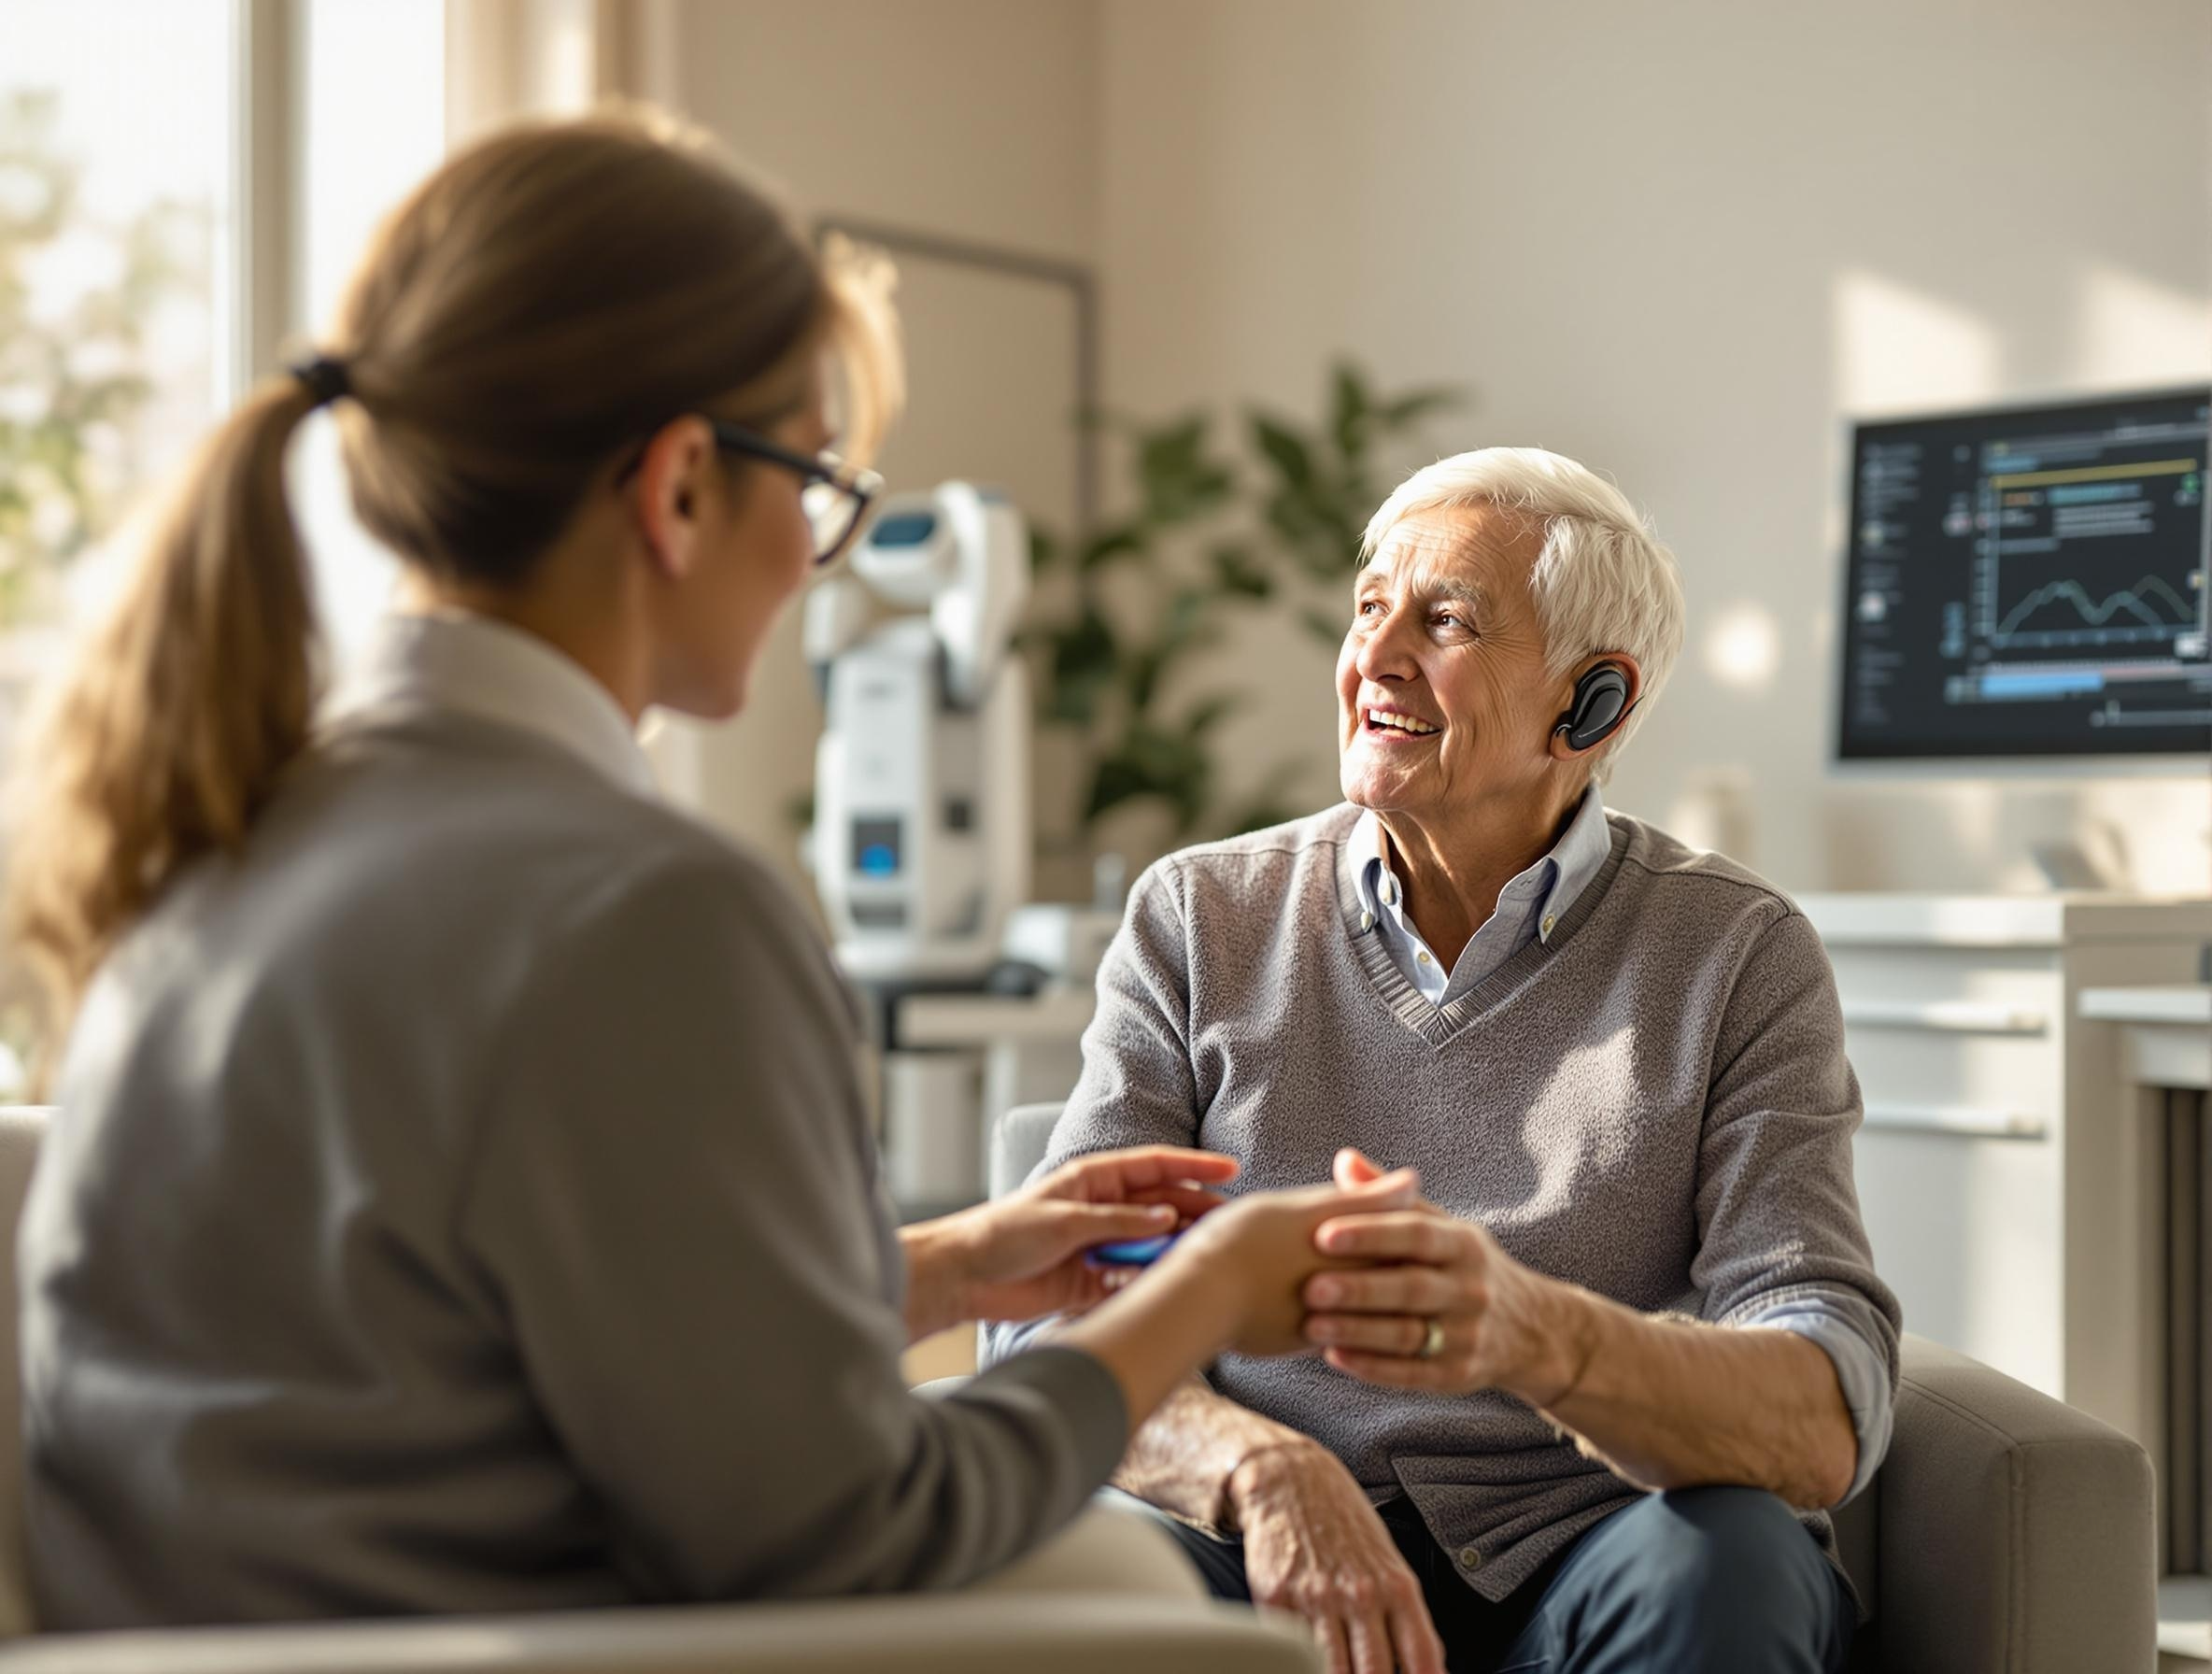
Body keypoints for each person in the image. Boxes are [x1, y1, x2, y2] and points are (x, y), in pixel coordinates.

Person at [3, 111, 1424, 1631]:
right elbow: (847, 1527)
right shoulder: (643, 916)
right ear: (679, 488)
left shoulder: (213, 842)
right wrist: (1199, 1300)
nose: (811, 559)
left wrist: (949, 1269)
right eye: (814, 487)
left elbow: (449, 1343)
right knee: (1134, 1587)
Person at [987, 448, 1902, 1674]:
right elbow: (1046, 1324)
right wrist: (1255, 1466)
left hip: (1589, 1545)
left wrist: (1540, 1339)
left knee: (1734, 1564)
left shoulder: (1735, 951)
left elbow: (1820, 1385)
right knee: (1060, 1560)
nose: (1376, 656)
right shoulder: (1201, 917)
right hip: (1248, 1552)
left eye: (1446, 619)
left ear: (1594, 704)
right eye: (1369, 608)